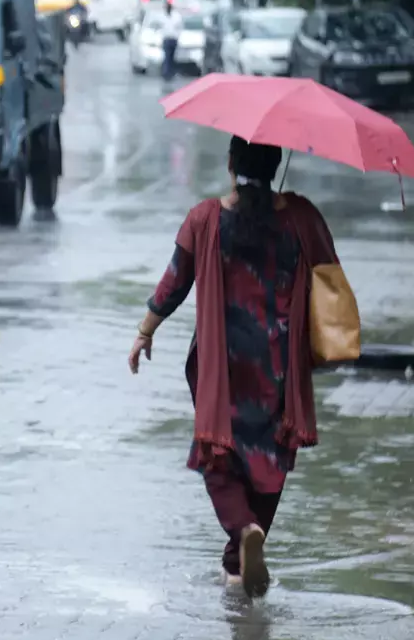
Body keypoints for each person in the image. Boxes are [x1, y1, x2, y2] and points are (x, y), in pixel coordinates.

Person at [128, 136, 338, 598]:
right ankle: (243, 558)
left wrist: (145, 331)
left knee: (218, 457)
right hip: (279, 366)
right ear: (276, 162)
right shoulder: (301, 217)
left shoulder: (205, 219)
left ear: (230, 164)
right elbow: (329, 276)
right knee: (270, 455)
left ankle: (244, 535)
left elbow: (174, 281)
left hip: (225, 367)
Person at [160, 1, 184, 81]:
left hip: (173, 39)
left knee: (172, 57)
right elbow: (160, 27)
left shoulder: (176, 16)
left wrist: (177, 36)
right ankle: (166, 73)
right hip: (166, 39)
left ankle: (171, 72)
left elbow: (180, 27)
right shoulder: (162, 16)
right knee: (167, 56)